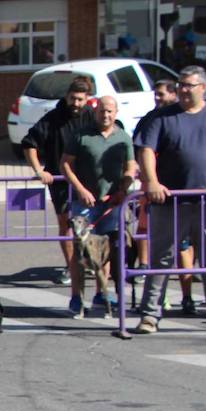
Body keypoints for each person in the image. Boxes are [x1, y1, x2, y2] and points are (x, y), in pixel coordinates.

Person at [132, 66, 206, 334]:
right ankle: (150, 316)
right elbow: (146, 150)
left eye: (189, 85)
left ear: (203, 88)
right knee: (160, 260)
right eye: (180, 85)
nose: (183, 90)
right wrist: (152, 182)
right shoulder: (161, 117)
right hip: (171, 203)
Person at [59, 95, 135, 318]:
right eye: (102, 111)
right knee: (80, 253)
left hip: (112, 202)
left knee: (107, 249)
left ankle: (101, 294)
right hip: (84, 203)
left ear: (116, 113)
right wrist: (81, 190)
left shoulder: (123, 137)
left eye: (110, 111)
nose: (106, 115)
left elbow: (131, 165)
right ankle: (76, 297)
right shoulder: (81, 135)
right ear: (95, 112)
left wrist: (123, 188)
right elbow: (65, 164)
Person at [22, 76, 94, 287]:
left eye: (80, 99)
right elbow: (29, 143)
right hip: (61, 181)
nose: (76, 103)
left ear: (88, 99)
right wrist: (38, 170)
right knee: (66, 224)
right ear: (66, 96)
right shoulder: (53, 118)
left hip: (88, 181)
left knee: (91, 224)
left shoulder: (91, 117)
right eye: (73, 98)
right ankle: (72, 266)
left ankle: (89, 261)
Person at [133, 78, 186, 313]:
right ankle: (153, 303)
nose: (158, 98)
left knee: (184, 246)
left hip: (187, 193)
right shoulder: (151, 119)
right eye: (156, 94)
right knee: (153, 240)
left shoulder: (185, 118)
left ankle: (187, 297)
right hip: (156, 192)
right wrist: (148, 179)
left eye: (162, 94)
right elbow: (140, 148)